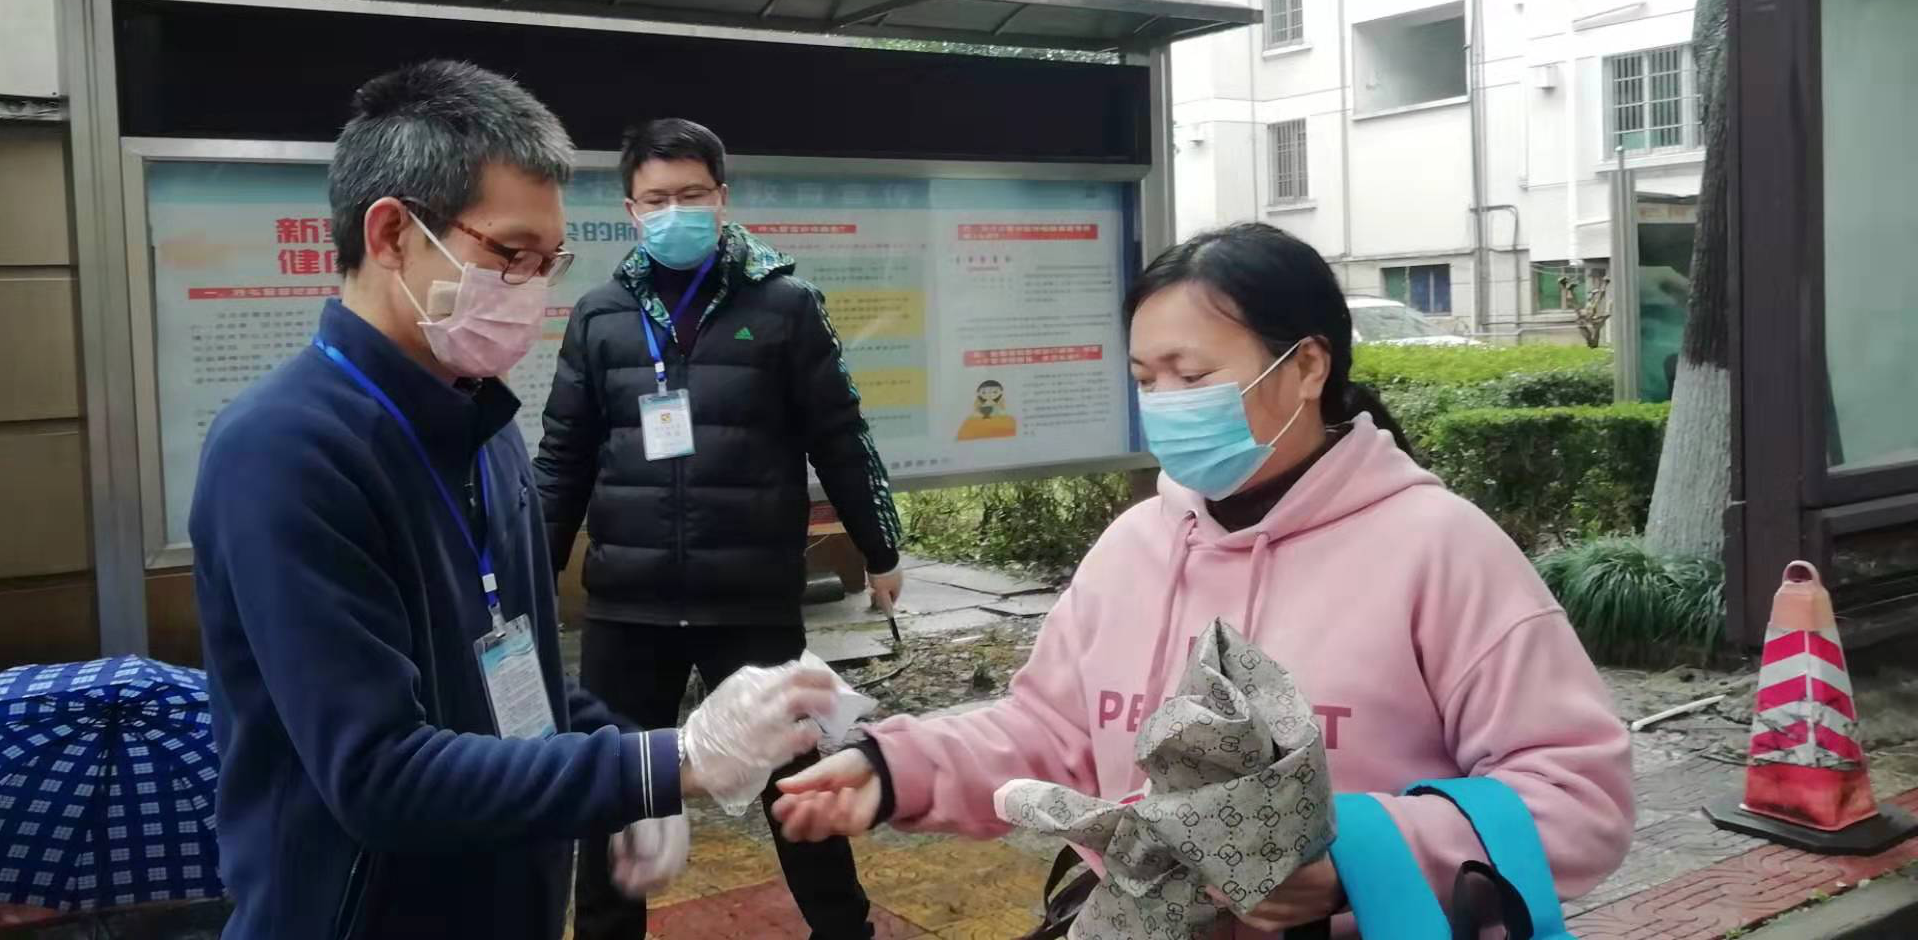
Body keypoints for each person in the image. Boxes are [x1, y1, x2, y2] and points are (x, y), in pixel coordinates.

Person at [773, 223, 1634, 937]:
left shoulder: (1441, 549)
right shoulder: (1136, 545)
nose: (1166, 402)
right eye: (1146, 380)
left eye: (1192, 376)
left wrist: (1357, 865)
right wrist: (895, 766)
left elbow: (1577, 797)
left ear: (1307, 367)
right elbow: (1050, 732)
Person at [190, 62, 842, 940]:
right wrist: (669, 762)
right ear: (392, 233)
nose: (533, 287)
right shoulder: (285, 452)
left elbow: (517, 677)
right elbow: (380, 776)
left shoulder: (482, 425)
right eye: (510, 255)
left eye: (548, 261)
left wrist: (625, 769)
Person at [535, 118, 901, 940]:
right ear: (631, 209)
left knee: (794, 783)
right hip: (628, 606)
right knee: (615, 794)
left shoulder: (786, 306)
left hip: (751, 601)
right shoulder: (599, 316)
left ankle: (844, 930)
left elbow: (840, 435)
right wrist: (531, 574)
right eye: (657, 198)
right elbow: (562, 459)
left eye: (692, 194)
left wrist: (879, 547)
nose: (675, 211)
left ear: (722, 198)